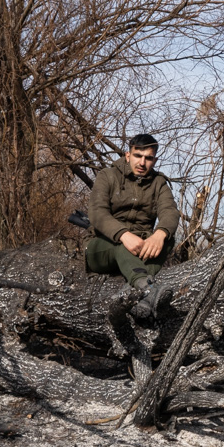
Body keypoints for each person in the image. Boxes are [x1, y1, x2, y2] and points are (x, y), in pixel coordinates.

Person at [85, 134, 180, 319]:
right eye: (138, 156)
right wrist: (123, 234)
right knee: (121, 245)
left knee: (168, 237)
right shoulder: (108, 176)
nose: (142, 163)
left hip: (140, 249)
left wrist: (159, 234)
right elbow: (97, 213)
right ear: (128, 155)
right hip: (102, 247)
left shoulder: (159, 183)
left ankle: (132, 293)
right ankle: (147, 289)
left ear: (155, 160)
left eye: (148, 158)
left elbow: (170, 212)